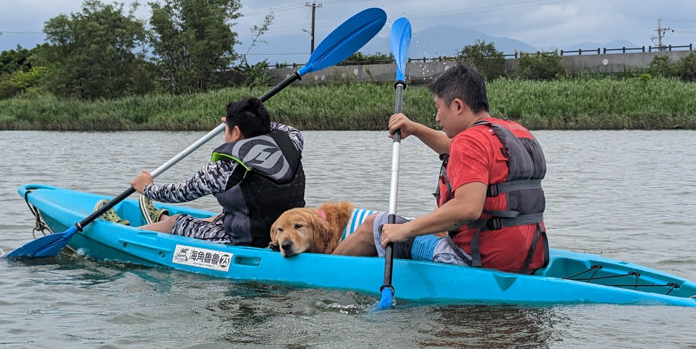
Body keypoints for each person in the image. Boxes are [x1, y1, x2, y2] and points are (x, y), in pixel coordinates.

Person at [334, 63, 548, 274]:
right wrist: (415, 129)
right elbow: (455, 149)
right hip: (526, 255)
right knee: (436, 227)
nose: (437, 118)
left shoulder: (469, 142)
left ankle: (323, 271)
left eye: (438, 108)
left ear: (457, 106)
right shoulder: (514, 132)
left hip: (479, 261)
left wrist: (404, 230)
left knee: (376, 225)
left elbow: (467, 209)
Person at [128, 97, 305, 247]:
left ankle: (128, 232)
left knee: (177, 222)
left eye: (226, 130)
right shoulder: (294, 141)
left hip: (249, 241)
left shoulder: (224, 169)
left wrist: (147, 188)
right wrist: (244, 122)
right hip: (286, 232)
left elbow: (178, 193)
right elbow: (280, 128)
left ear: (235, 132)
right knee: (217, 218)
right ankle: (161, 218)